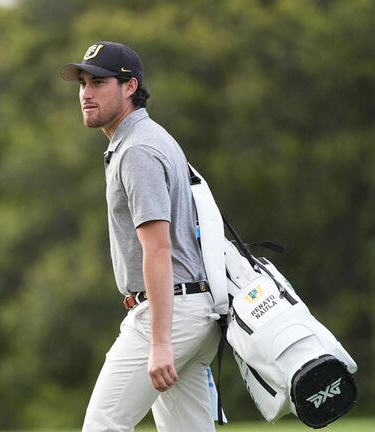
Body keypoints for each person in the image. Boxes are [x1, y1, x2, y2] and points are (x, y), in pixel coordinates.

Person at [60, 41, 222, 431]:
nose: (86, 94)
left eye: (98, 82)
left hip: (168, 315)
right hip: (191, 309)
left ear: (129, 86)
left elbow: (159, 248)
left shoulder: (137, 150)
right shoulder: (152, 137)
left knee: (103, 425)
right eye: (82, 83)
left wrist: (161, 341)